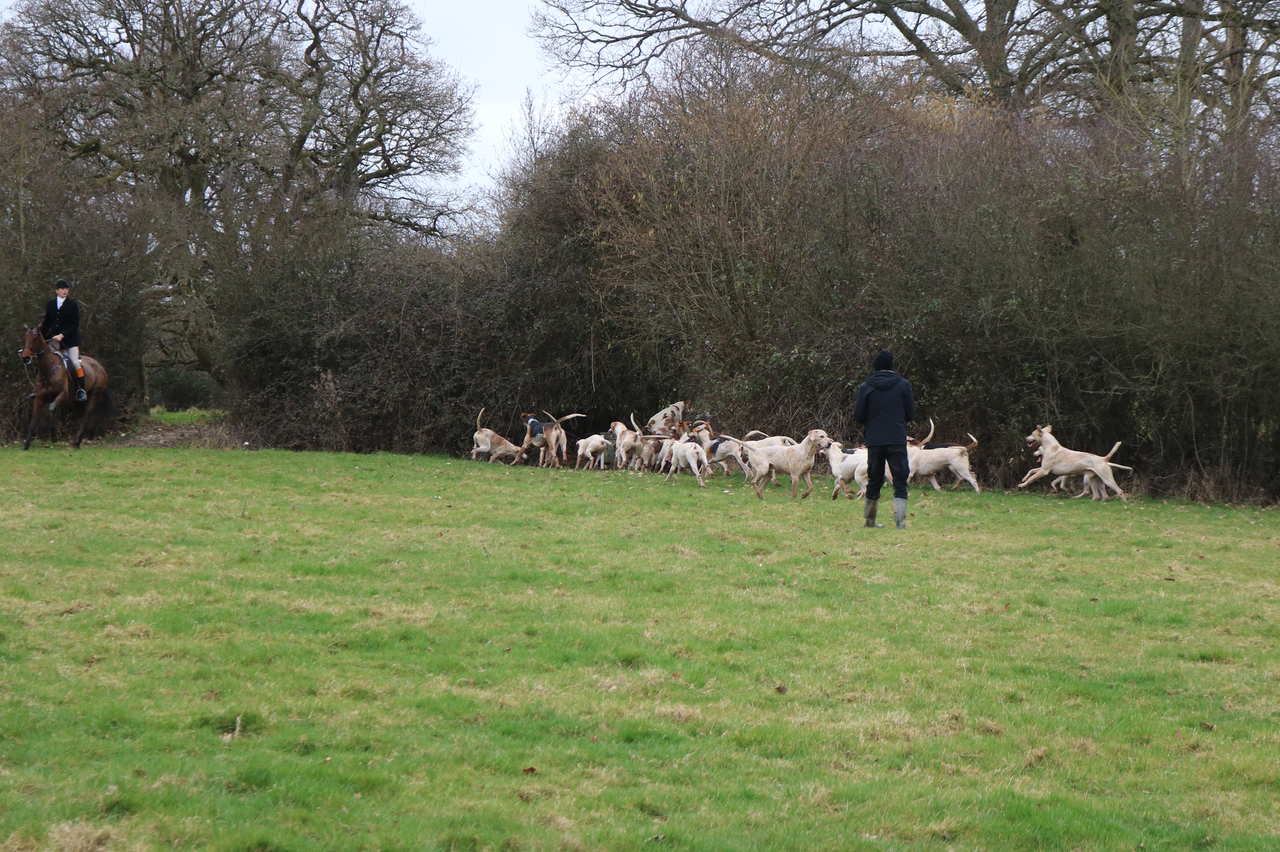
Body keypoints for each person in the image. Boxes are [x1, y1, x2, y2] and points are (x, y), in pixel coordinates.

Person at [853, 349, 915, 529]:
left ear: (875, 366)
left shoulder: (866, 386)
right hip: (896, 439)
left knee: (874, 479)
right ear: (891, 366)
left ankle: (870, 521)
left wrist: (872, 421)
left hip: (874, 440)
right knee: (900, 480)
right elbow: (911, 413)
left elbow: (857, 415)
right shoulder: (904, 385)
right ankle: (900, 524)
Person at [40, 278, 87, 402]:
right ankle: (38, 388)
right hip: (54, 340)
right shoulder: (50, 304)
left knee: (74, 362)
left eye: (66, 289)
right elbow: (47, 323)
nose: (65, 291)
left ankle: (81, 389)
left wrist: (62, 335)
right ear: (57, 291)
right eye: (62, 289)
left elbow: (74, 325)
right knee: (43, 359)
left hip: (70, 341)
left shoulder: (72, 305)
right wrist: (41, 338)